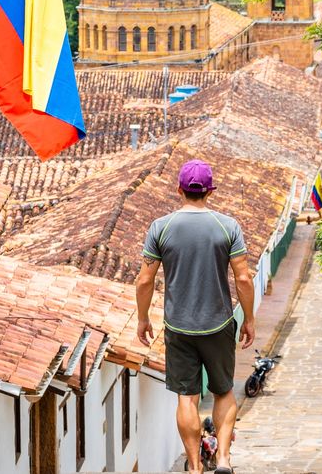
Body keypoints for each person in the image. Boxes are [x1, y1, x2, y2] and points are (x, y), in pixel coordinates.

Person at [136, 159, 255, 474]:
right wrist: (250, 318)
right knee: (224, 391)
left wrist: (143, 318)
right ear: (210, 191)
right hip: (217, 324)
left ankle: (194, 466)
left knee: (186, 397)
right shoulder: (227, 227)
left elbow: (145, 280)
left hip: (179, 327)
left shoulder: (161, 227)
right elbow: (243, 278)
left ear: (179, 189)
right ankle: (225, 459)